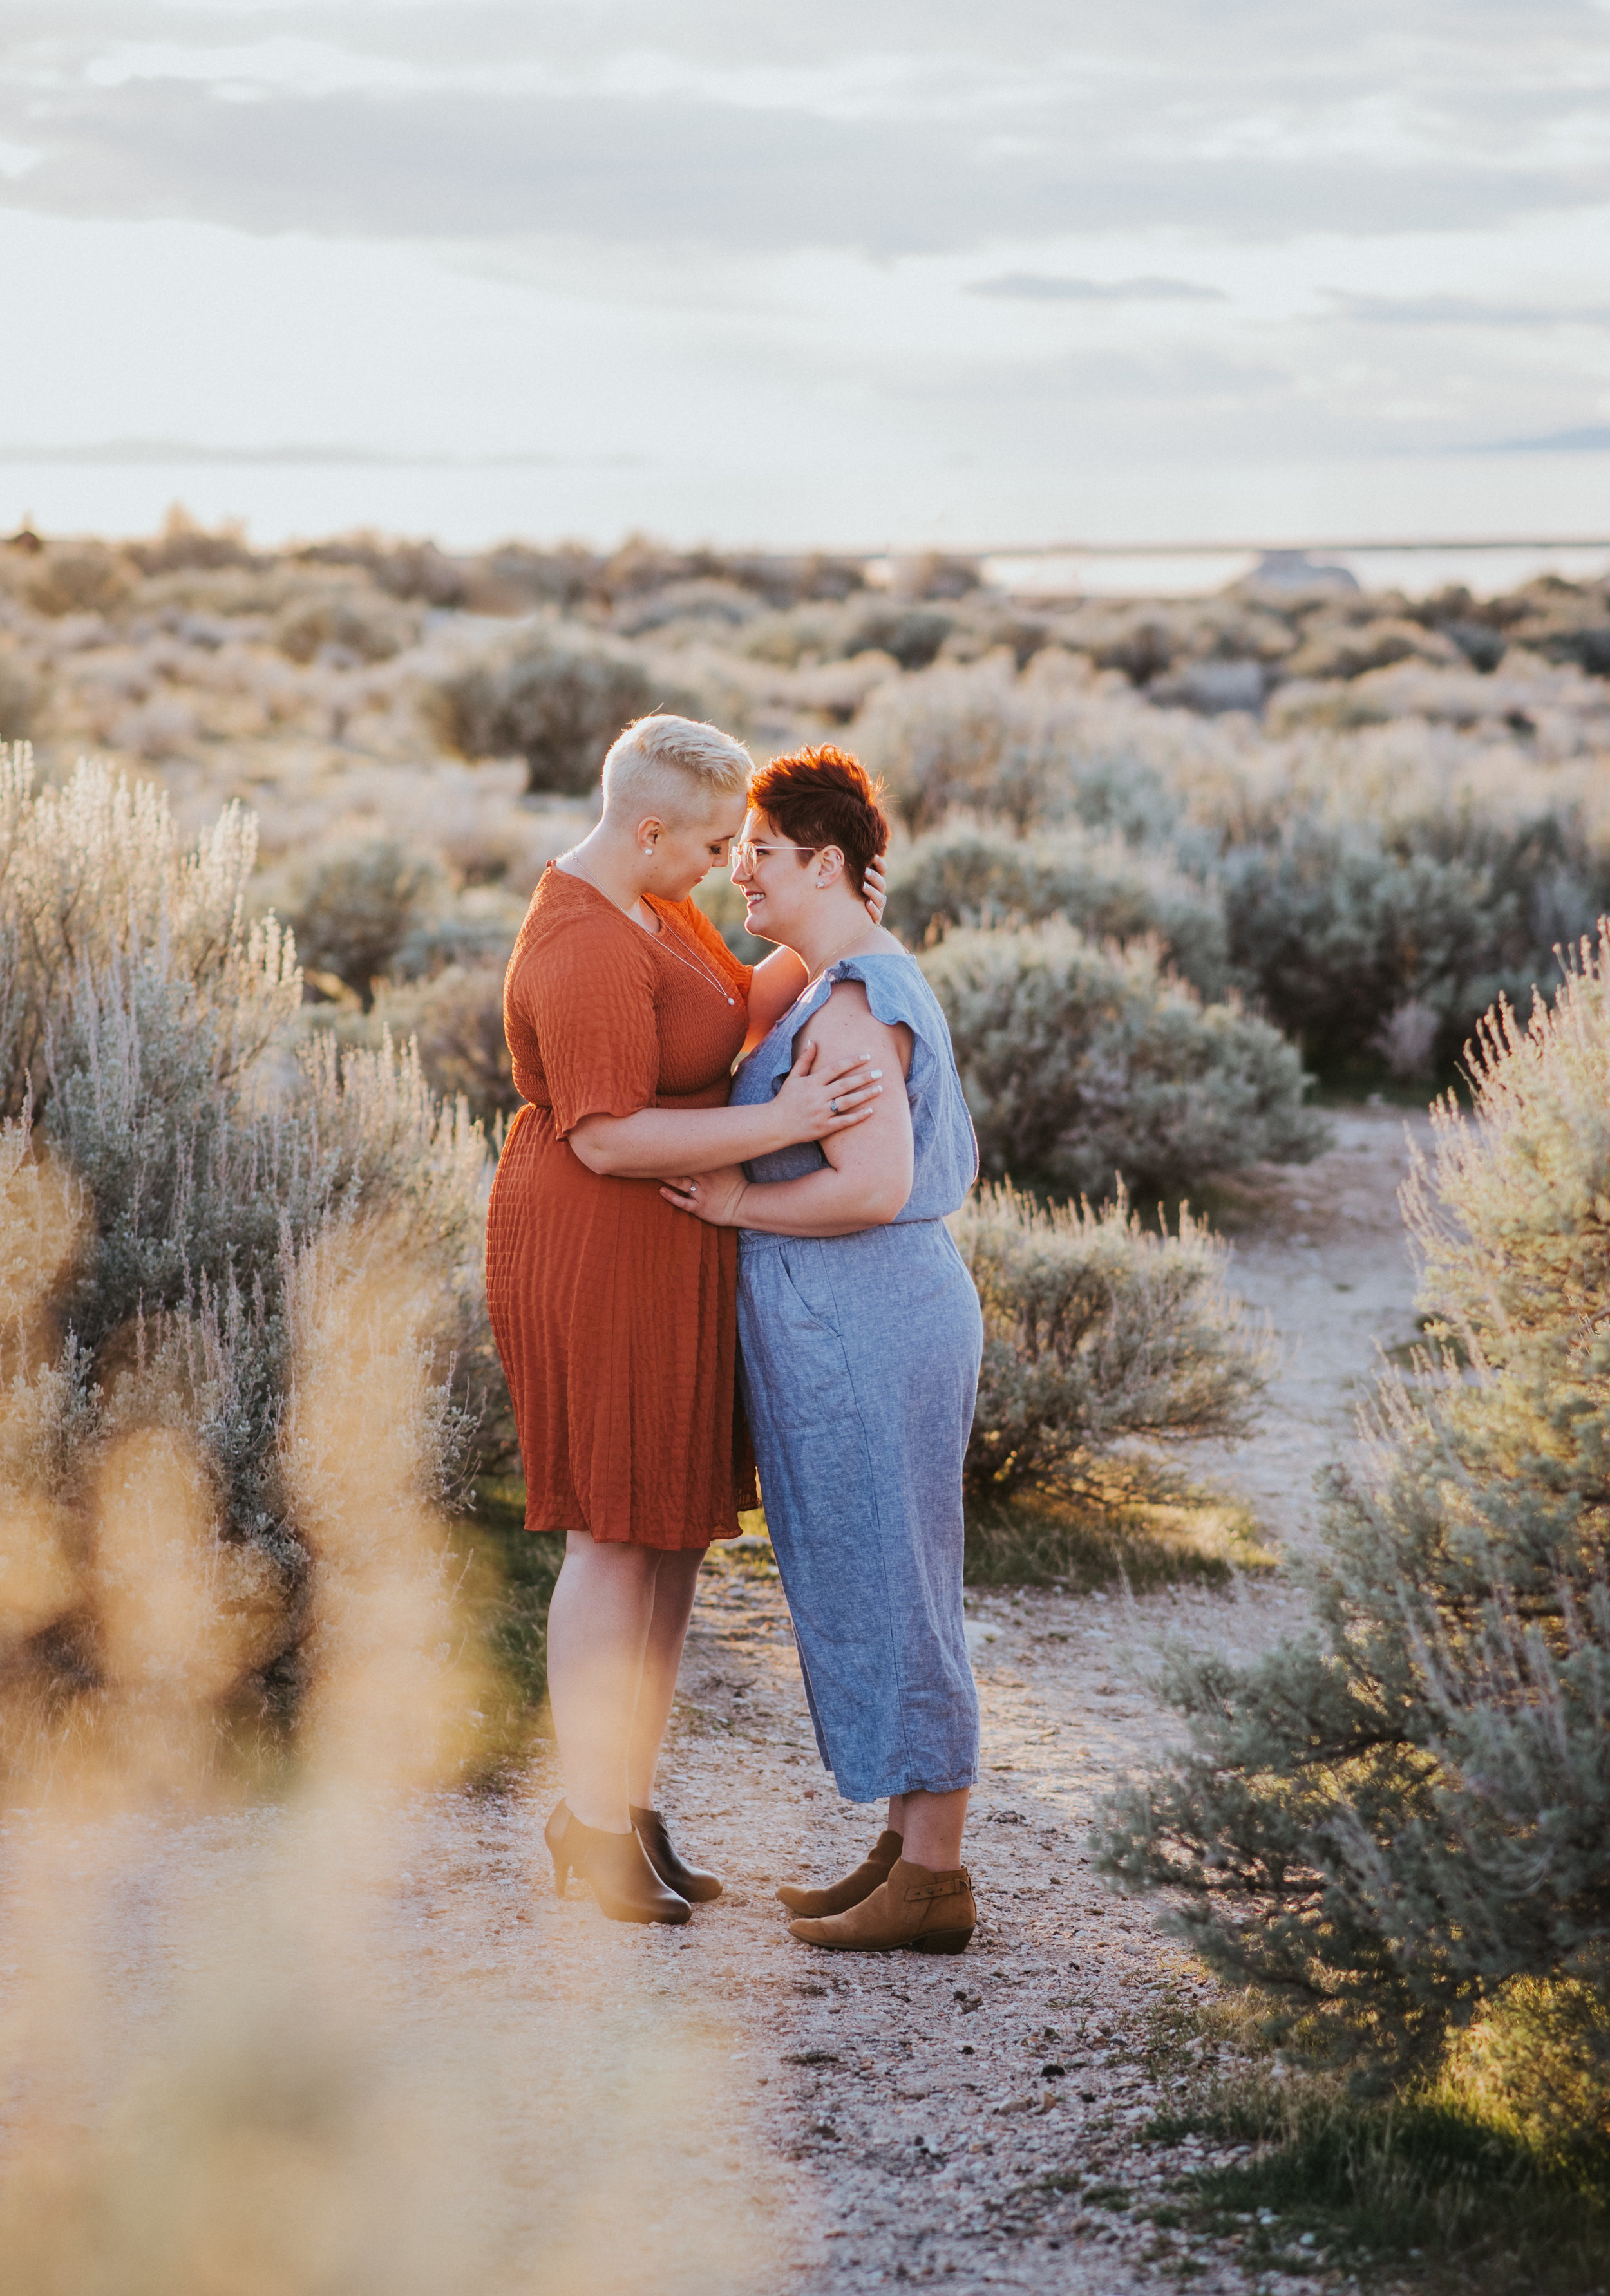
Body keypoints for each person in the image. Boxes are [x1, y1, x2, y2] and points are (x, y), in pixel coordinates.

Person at [486, 715, 887, 1927]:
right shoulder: (585, 944)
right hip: (600, 1247)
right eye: (718, 841)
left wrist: (837, 908)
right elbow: (607, 1137)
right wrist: (785, 1120)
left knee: (666, 1535)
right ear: (650, 827)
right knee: (612, 1533)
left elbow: (728, 1003)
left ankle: (626, 1803)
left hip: (673, 1246)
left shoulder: (657, 905)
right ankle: (591, 1823)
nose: (730, 861)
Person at [661, 746, 984, 1955]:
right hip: (852, 1324)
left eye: (760, 854)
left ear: (828, 863)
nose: (739, 871)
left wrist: (739, 1205)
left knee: (897, 1580)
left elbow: (874, 1184)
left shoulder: (854, 1002)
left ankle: (934, 1873)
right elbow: (726, 989)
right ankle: (908, 1851)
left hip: (872, 1321)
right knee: (868, 1572)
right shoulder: (823, 973)